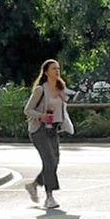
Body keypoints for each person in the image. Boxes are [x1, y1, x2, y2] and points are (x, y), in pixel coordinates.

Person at [23, 59, 73, 209]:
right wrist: (40, 116)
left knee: (55, 161)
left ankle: (34, 185)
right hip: (39, 129)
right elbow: (27, 110)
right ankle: (49, 197)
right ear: (46, 72)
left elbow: (64, 107)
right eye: (53, 69)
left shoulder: (60, 88)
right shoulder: (40, 90)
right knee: (49, 161)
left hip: (53, 128)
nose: (57, 71)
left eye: (58, 68)